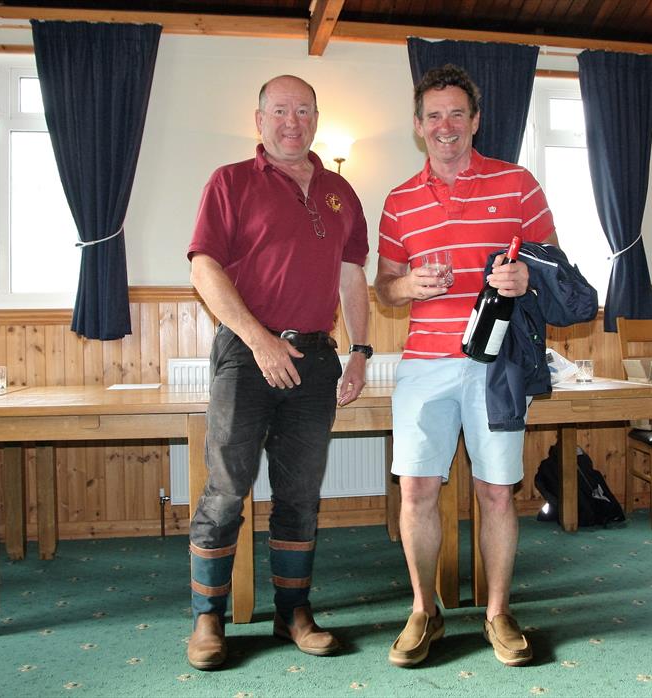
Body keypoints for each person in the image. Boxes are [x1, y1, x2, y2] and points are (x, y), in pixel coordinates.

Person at [374, 64, 559, 668]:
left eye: (457, 114)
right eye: (433, 115)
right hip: (424, 364)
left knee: (496, 492)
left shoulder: (518, 183)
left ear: (475, 120)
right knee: (417, 490)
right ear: (418, 125)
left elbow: (555, 271)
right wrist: (407, 285)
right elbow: (382, 290)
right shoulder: (399, 200)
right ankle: (424, 611)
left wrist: (526, 276)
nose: (445, 126)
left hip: (496, 366)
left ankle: (498, 614)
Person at [186, 74, 371, 670]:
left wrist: (362, 349)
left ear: (317, 117)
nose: (293, 121)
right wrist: (259, 339)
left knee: (300, 496)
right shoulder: (231, 181)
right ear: (259, 119)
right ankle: (208, 620)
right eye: (281, 110)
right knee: (226, 491)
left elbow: (351, 278)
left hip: (317, 359)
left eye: (304, 110)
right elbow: (204, 269)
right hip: (245, 354)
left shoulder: (343, 192)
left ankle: (293, 610)